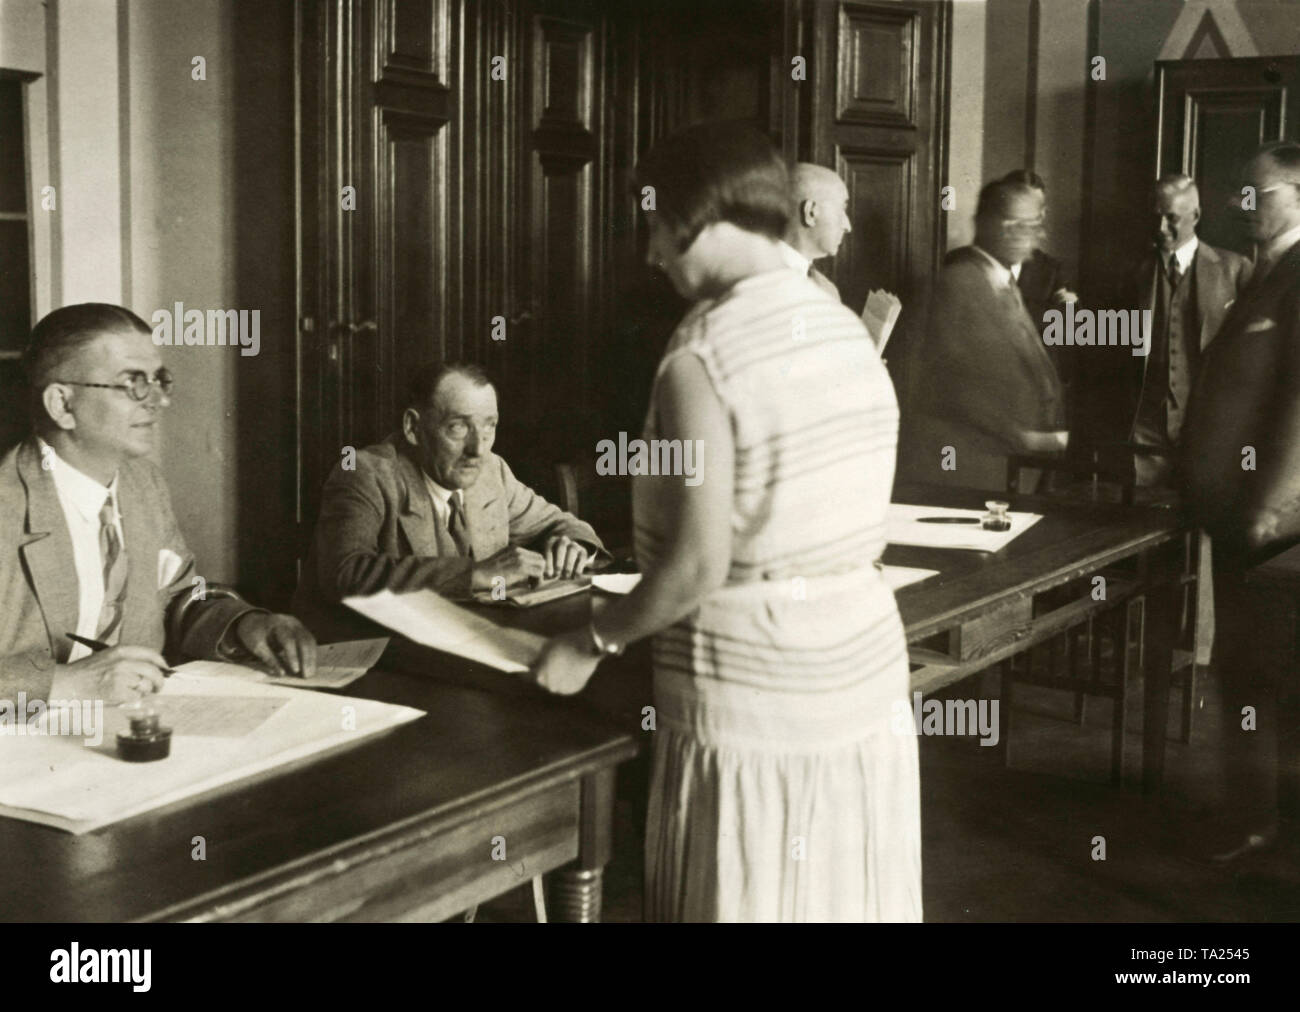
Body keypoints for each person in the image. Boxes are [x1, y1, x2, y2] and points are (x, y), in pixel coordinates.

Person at [531, 122, 921, 922]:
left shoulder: (701, 355)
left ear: (693, 218)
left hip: (753, 697)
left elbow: (697, 563)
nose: (649, 254)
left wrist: (591, 638)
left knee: (751, 889)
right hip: (861, 672)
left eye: (653, 228)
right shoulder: (845, 329)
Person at [0, 303, 317, 707]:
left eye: (159, 380)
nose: (158, 401)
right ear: (63, 405)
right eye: (132, 383)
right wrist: (65, 684)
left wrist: (244, 624)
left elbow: (177, 595)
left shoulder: (142, 483)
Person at [293, 362, 604, 638]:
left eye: (489, 426)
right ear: (413, 428)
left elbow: (563, 524)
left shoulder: (491, 471)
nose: (478, 449)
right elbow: (345, 574)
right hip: (368, 658)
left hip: (463, 645)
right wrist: (474, 575)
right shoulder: (367, 473)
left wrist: (572, 547)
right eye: (458, 427)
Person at [1181, 142, 1300, 863]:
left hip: (1271, 524)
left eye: (1259, 194)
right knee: (1246, 666)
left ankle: (1258, 822)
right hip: (1240, 513)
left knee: (1258, 669)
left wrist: (1271, 501)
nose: (1243, 205)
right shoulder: (1266, 274)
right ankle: (1255, 812)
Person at [900, 176, 1067, 490]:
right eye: (1023, 224)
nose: (1034, 234)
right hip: (969, 473)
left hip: (1008, 471)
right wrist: (1033, 439)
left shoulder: (1002, 282)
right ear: (994, 225)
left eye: (1035, 224)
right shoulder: (960, 283)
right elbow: (953, 388)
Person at [1103, 174, 1250, 488]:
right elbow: (1109, 351)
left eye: (1171, 218)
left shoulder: (1235, 269)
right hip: (1143, 431)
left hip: (1207, 430)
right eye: (1156, 218)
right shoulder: (1130, 272)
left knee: (1200, 525)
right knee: (1138, 523)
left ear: (1195, 216)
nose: (1161, 229)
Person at [777, 162, 852, 300]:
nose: (848, 226)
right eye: (841, 209)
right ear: (810, 212)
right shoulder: (755, 282)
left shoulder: (828, 291)